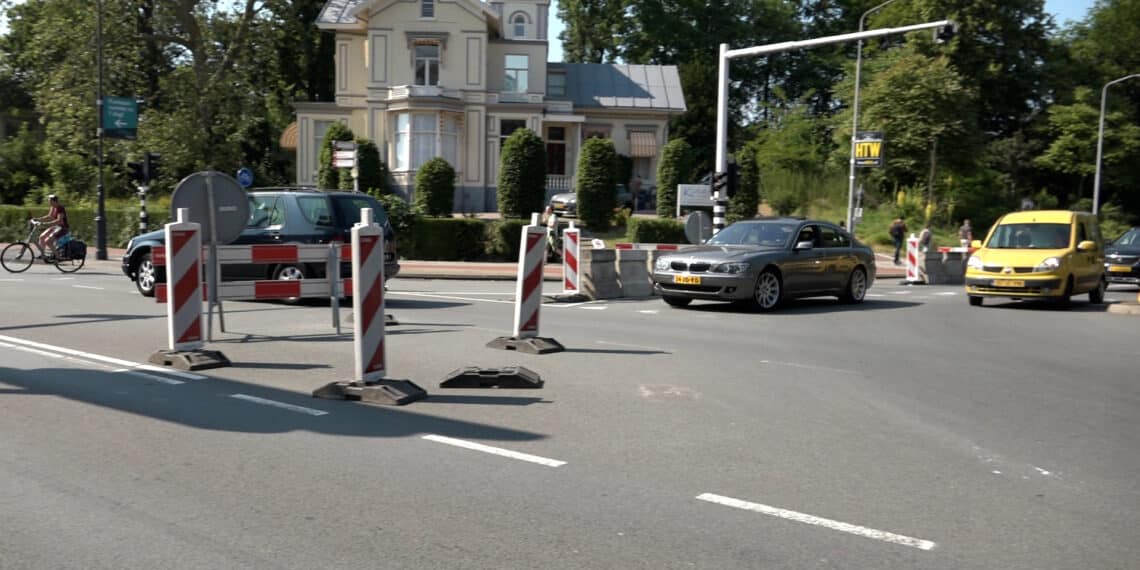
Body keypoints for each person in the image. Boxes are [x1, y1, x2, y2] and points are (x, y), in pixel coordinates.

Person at [34, 194, 69, 258]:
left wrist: (45, 224)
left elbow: (59, 220)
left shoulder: (60, 208)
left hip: (62, 228)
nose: (49, 203)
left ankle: (58, 257)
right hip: (56, 227)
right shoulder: (53, 207)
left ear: (54, 201)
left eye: (49, 201)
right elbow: (49, 216)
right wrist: (37, 219)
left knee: (48, 241)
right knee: (42, 237)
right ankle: (42, 255)